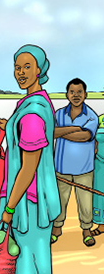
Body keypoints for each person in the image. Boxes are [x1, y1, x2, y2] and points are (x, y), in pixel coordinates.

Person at [0, 44, 60, 274]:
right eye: (17, 67)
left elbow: (27, 167)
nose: (20, 72)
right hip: (44, 197)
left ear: (39, 70)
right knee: (40, 252)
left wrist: (9, 207)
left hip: (27, 201)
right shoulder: (40, 102)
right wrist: (10, 126)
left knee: (23, 256)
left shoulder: (31, 113)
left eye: (27, 67)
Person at [52, 78, 99, 247]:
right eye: (72, 92)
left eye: (79, 92)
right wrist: (74, 128)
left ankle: (86, 230)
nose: (76, 95)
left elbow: (85, 136)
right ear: (67, 95)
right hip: (61, 167)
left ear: (85, 94)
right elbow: (49, 132)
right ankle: (57, 228)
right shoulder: (58, 114)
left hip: (84, 168)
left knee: (85, 202)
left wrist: (60, 132)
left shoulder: (92, 116)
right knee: (59, 200)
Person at [92, 115, 104, 237]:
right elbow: (94, 141)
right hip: (100, 165)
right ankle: (101, 225)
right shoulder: (100, 119)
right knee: (99, 194)